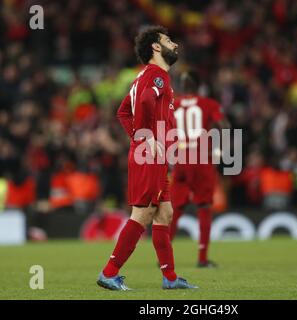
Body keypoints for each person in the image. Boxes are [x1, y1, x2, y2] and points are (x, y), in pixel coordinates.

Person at [97, 26, 197, 291]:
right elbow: (142, 103)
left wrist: (141, 138)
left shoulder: (145, 77)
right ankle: (109, 272)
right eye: (168, 40)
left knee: (165, 212)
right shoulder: (157, 76)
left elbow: (122, 112)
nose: (174, 44)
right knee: (142, 214)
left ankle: (171, 278)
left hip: (154, 154)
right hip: (149, 156)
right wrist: (145, 138)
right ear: (155, 47)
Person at [169, 70, 229, 268]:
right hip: (202, 159)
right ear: (199, 86)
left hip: (180, 160)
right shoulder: (208, 104)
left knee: (176, 209)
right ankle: (202, 258)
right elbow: (224, 125)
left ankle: (164, 256)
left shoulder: (174, 105)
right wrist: (219, 150)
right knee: (203, 207)